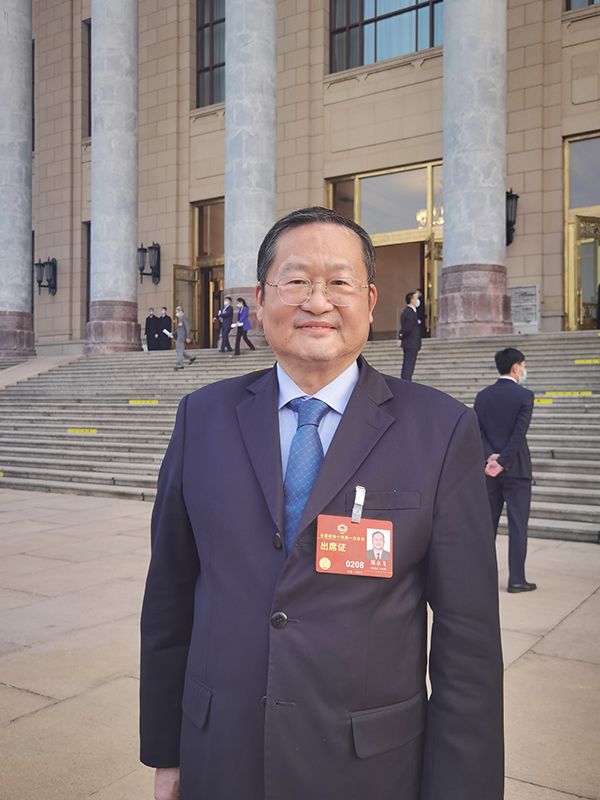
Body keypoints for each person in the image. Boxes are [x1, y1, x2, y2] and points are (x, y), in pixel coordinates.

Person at [140, 207, 503, 800]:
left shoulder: (440, 430)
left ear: (370, 299)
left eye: (339, 282)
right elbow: (169, 599)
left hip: (370, 769)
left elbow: (469, 640)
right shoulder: (201, 418)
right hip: (220, 755)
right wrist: (165, 751)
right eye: (296, 281)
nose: (318, 301)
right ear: (261, 299)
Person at [474, 347, 536, 593]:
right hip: (517, 470)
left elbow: (478, 431)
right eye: (523, 366)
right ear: (515, 367)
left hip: (489, 471)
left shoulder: (483, 396)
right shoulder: (524, 396)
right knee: (518, 526)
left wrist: (491, 458)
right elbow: (519, 433)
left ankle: (481, 579)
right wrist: (504, 460)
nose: (524, 370)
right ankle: (517, 579)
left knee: (486, 526)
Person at [398, 290, 421, 381]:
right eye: (416, 298)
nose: (417, 300)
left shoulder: (411, 311)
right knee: (408, 365)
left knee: (409, 365)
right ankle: (406, 383)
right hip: (410, 343)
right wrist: (401, 337)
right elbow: (407, 328)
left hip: (411, 343)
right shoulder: (409, 312)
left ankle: (406, 382)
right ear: (411, 300)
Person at [171, 306, 196, 371]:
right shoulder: (179, 319)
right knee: (179, 350)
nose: (176, 314)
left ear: (181, 311)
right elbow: (178, 329)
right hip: (178, 337)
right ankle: (191, 357)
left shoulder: (184, 318)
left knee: (179, 350)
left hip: (182, 337)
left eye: (177, 312)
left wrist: (188, 337)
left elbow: (187, 328)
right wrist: (173, 333)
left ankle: (179, 364)